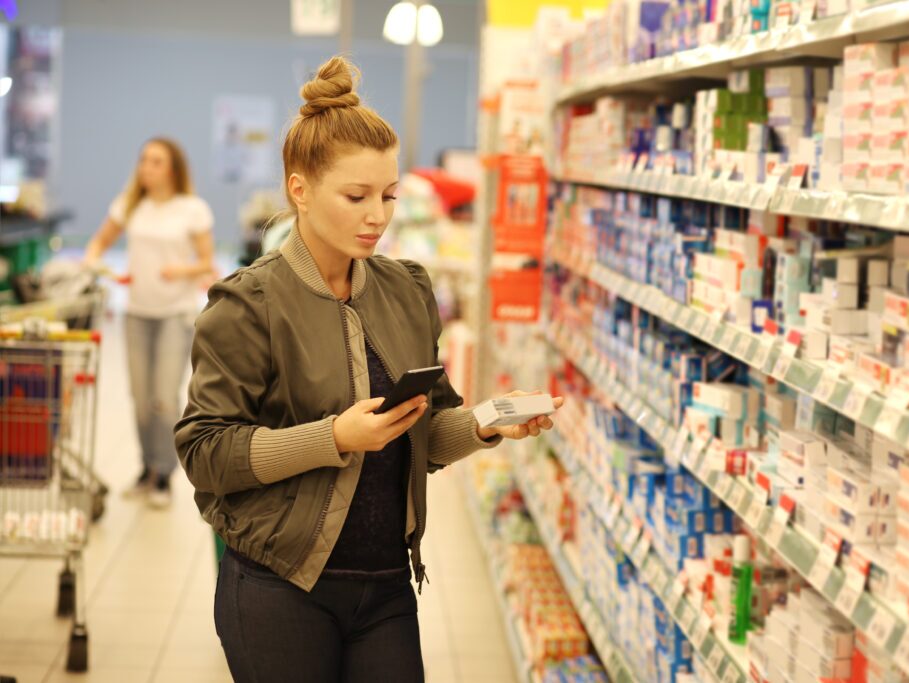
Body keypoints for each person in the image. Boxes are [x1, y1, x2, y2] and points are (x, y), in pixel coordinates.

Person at [174, 56, 563, 682]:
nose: (377, 215)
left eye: (388, 195)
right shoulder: (248, 305)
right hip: (280, 585)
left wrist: (491, 421)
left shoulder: (407, 291)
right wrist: (332, 438)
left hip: (385, 585)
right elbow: (205, 451)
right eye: (356, 196)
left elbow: (423, 436)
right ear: (299, 190)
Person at [85, 138, 214, 508]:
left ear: (172, 169)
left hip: (176, 314)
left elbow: (206, 261)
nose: (146, 167)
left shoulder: (192, 209)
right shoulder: (130, 206)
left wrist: (182, 269)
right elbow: (98, 244)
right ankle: (145, 469)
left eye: (155, 161)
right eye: (143, 160)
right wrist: (102, 268)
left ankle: (164, 474)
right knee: (141, 400)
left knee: (163, 399)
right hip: (137, 314)